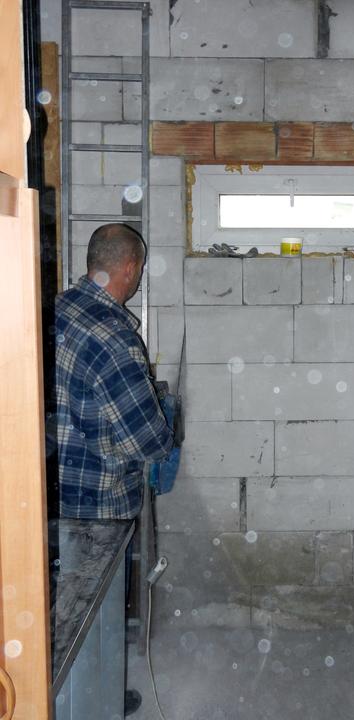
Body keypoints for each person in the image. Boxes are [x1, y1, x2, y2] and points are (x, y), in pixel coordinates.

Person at [55, 223, 174, 714]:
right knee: (86, 617)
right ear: (129, 267)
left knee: (65, 609)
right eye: (139, 270)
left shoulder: (58, 310)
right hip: (98, 502)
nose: (138, 279)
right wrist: (165, 434)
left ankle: (83, 694)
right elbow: (148, 438)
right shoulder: (112, 335)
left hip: (53, 489)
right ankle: (85, 702)